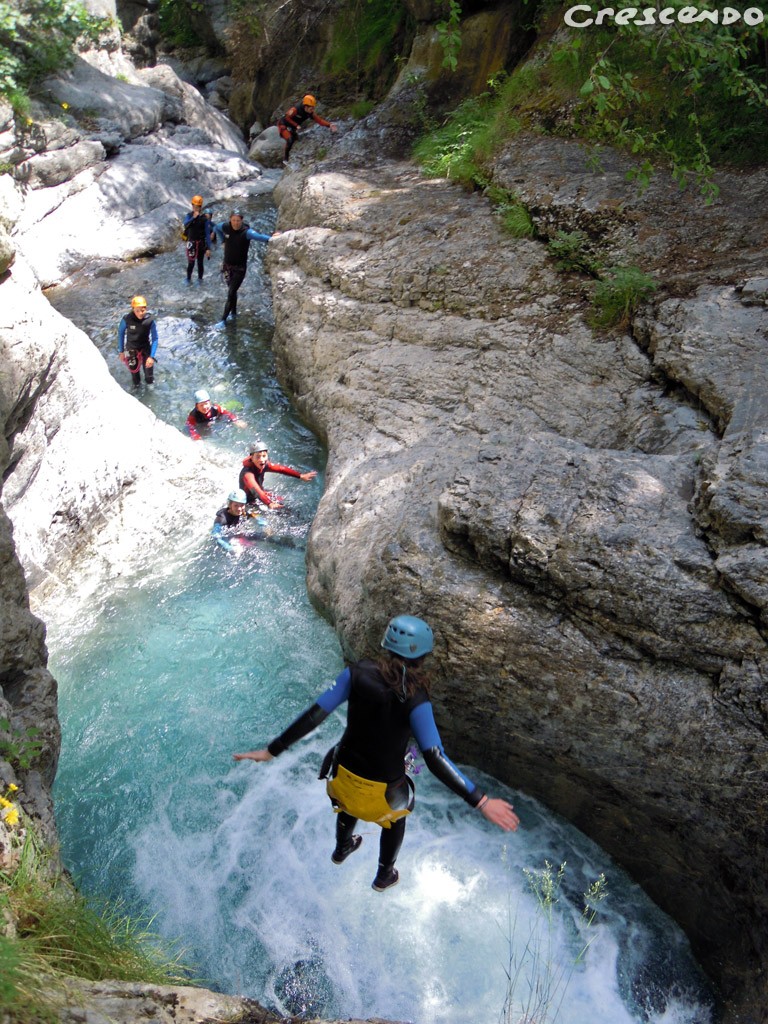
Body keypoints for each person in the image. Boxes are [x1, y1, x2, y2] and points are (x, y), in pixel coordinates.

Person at [233, 615, 520, 892]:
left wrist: (271, 751)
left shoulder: (355, 674)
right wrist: (481, 801)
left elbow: (314, 716)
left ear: (385, 646)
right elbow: (433, 757)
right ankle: (384, 874)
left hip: (341, 776)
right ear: (421, 658)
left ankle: (342, 847)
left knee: (348, 803)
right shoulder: (416, 700)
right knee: (396, 818)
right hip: (384, 793)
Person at [212, 210, 272, 326]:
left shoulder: (246, 232)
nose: (235, 223)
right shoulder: (225, 227)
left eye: (238, 221)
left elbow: (259, 237)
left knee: (231, 292)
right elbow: (216, 228)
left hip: (239, 269)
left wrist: (271, 238)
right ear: (230, 220)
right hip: (227, 266)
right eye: (233, 220)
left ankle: (223, 320)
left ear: (242, 220)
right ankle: (233, 313)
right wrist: (223, 240)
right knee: (232, 291)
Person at [239, 440, 317, 510]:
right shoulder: (247, 474)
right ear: (251, 458)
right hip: (248, 502)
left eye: (264, 456)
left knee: (284, 504)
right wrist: (269, 503)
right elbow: (256, 490)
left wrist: (300, 476)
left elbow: (281, 469)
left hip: (260, 494)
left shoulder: (264, 464)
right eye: (258, 457)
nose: (262, 460)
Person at [277, 94, 338, 163]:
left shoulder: (310, 113)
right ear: (306, 107)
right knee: (290, 140)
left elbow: (320, 121)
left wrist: (329, 125)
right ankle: (285, 158)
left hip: (293, 127)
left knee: (296, 139)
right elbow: (286, 118)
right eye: (311, 108)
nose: (312, 110)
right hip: (283, 124)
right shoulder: (295, 109)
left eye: (313, 108)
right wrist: (296, 125)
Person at [118, 295, 158, 388]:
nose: (140, 313)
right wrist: (121, 352)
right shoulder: (126, 319)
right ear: (133, 309)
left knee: (149, 378)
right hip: (130, 350)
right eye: (137, 311)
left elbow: (155, 338)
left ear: (146, 309)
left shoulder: (149, 320)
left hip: (145, 349)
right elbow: (120, 334)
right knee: (135, 378)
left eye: (143, 310)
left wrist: (151, 357)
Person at [183, 195, 213, 285]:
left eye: (197, 207)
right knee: (191, 263)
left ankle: (200, 279)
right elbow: (185, 225)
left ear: (200, 207)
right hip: (191, 243)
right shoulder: (189, 216)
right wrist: (193, 218)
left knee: (200, 263)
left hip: (200, 243)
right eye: (194, 206)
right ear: (192, 206)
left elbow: (207, 234)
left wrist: (208, 248)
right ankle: (188, 278)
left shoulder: (204, 219)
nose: (196, 208)